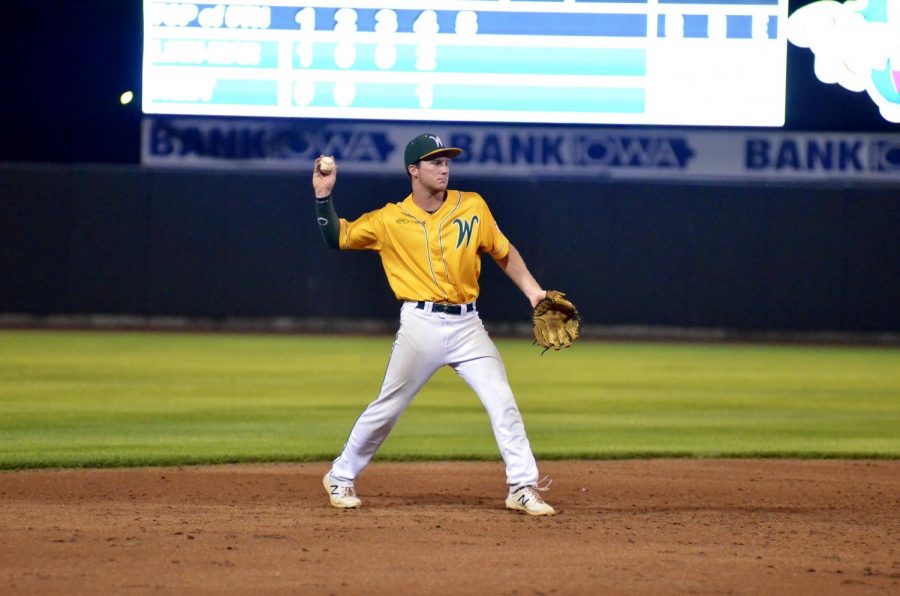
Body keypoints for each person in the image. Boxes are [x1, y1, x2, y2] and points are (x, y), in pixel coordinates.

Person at [312, 133, 555, 516]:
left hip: (468, 326)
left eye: (446, 161)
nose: (444, 168)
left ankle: (522, 487)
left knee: (501, 399)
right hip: (420, 325)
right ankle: (340, 475)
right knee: (388, 407)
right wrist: (323, 195)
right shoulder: (388, 219)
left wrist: (533, 292)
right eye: (434, 162)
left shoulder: (472, 206)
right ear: (414, 170)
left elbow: (502, 252)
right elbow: (335, 236)